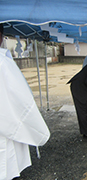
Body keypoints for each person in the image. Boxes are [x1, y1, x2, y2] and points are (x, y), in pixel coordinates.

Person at [0, 24, 50, 180]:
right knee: (6, 166)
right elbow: (21, 100)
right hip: (4, 127)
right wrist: (39, 132)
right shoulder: (2, 63)